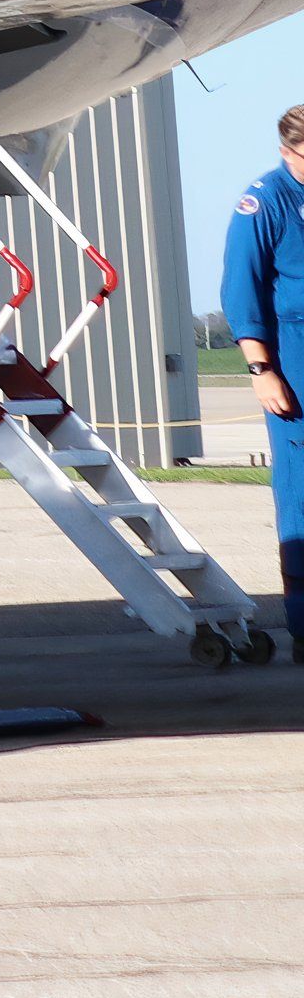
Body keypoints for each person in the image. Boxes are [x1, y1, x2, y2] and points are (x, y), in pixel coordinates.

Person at [222, 105, 304, 630]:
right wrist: (261, 369)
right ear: (287, 151)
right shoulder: (265, 201)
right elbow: (240, 288)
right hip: (293, 359)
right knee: (301, 491)